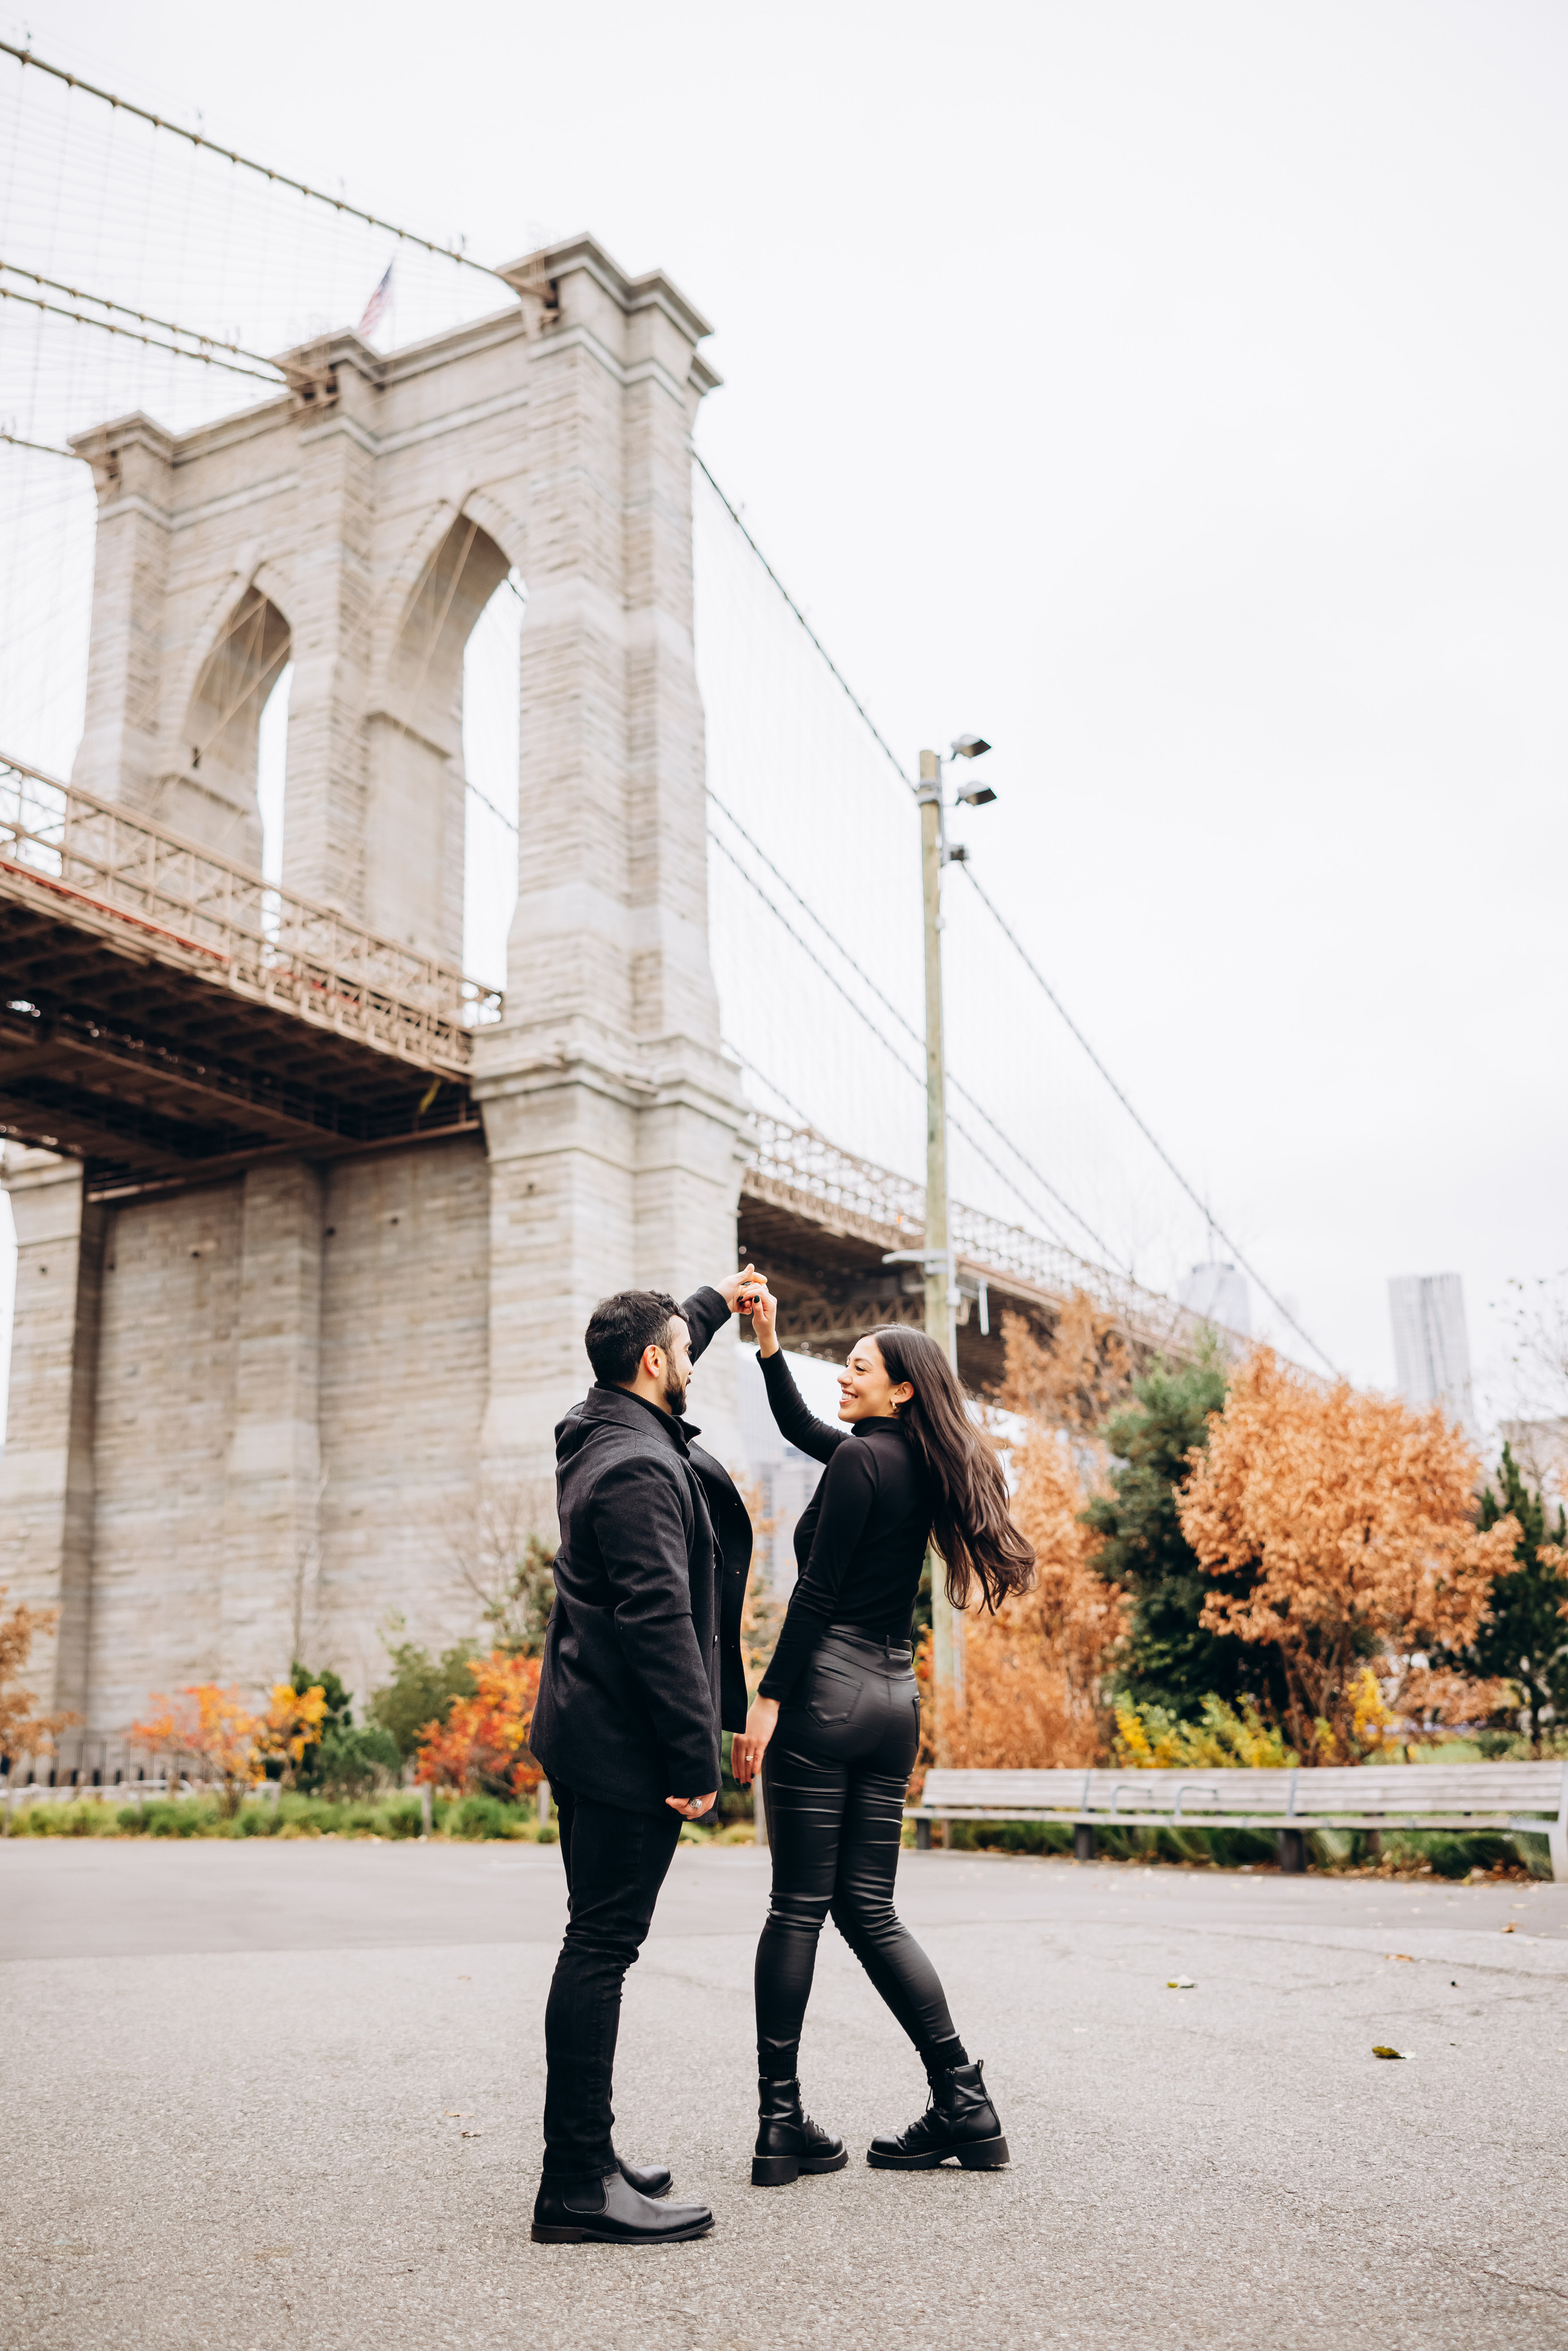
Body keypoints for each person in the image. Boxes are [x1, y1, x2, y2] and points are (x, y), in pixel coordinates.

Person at [729, 1280, 1035, 2186]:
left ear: (902, 1387)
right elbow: (798, 1427)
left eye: (859, 1367)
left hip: (826, 1690)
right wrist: (772, 1343)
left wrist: (770, 1697)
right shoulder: (910, 1461)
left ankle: (781, 2123)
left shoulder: (863, 1463)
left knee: (797, 1907)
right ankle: (964, 2099)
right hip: (895, 1699)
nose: (845, 1376)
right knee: (869, 1908)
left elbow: (818, 1591)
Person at [528, 1270, 763, 2246]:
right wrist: (692, 1755)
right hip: (627, 1744)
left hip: (584, 1727)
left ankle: (590, 2154)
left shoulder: (598, 1425)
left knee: (595, 1939)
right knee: (601, 1945)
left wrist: (716, 1297)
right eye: (686, 1350)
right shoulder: (638, 1468)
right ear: (655, 1365)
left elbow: (665, 1337)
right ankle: (578, 2181)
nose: (694, 1361)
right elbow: (659, 1617)